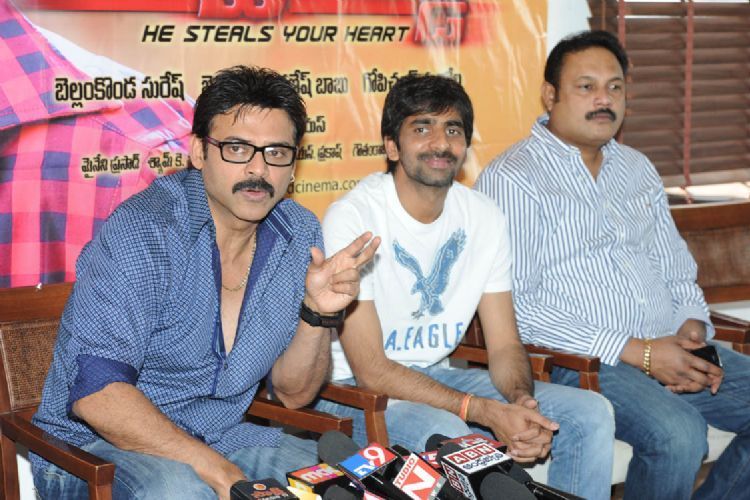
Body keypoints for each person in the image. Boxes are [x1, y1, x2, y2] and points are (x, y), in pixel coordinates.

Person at [31, 65, 379, 500]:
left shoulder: (299, 235)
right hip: (94, 450)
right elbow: (97, 394)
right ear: (199, 151)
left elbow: (293, 395)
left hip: (225, 437)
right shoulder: (146, 230)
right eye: (237, 148)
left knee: (345, 483)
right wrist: (215, 470)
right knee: (180, 490)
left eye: (276, 152)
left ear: (294, 163)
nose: (258, 169)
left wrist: (316, 315)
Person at [476, 30, 750, 499]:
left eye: (615, 87)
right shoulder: (514, 177)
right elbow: (520, 308)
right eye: (586, 87)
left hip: (669, 346)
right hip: (580, 360)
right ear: (550, 95)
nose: (604, 100)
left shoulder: (636, 168)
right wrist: (639, 352)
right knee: (678, 435)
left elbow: (676, 269)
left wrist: (691, 330)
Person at [315, 74, 615, 499]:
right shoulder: (353, 217)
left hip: (438, 377)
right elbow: (372, 370)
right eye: (422, 128)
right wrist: (485, 412)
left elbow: (505, 344)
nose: (441, 143)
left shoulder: (484, 216)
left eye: (453, 130)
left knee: (590, 413)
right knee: (452, 433)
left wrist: (521, 401)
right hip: (355, 392)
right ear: (392, 147)